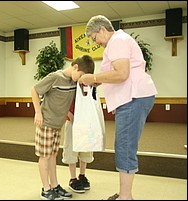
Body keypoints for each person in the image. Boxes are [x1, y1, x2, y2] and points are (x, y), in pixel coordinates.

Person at [78, 15, 158, 200]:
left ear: (102, 30)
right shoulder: (119, 40)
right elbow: (118, 73)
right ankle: (124, 194)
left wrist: (94, 78)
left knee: (125, 147)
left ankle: (126, 197)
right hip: (133, 97)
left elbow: (122, 73)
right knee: (124, 145)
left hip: (133, 98)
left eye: (94, 38)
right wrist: (99, 82)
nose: (95, 42)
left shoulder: (117, 41)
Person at [31, 55, 95, 200]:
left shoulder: (73, 82)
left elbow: (62, 100)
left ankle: (54, 185)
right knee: (45, 156)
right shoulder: (55, 77)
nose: (80, 79)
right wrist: (38, 112)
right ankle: (45, 189)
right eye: (80, 76)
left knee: (53, 155)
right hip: (46, 123)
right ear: (75, 67)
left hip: (57, 124)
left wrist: (68, 113)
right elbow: (34, 90)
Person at [62, 98, 94, 194]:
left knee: (86, 149)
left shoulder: (88, 84)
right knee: (71, 150)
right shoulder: (69, 84)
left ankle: (82, 175)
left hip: (86, 121)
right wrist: (68, 113)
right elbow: (62, 101)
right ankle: (73, 178)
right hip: (72, 120)